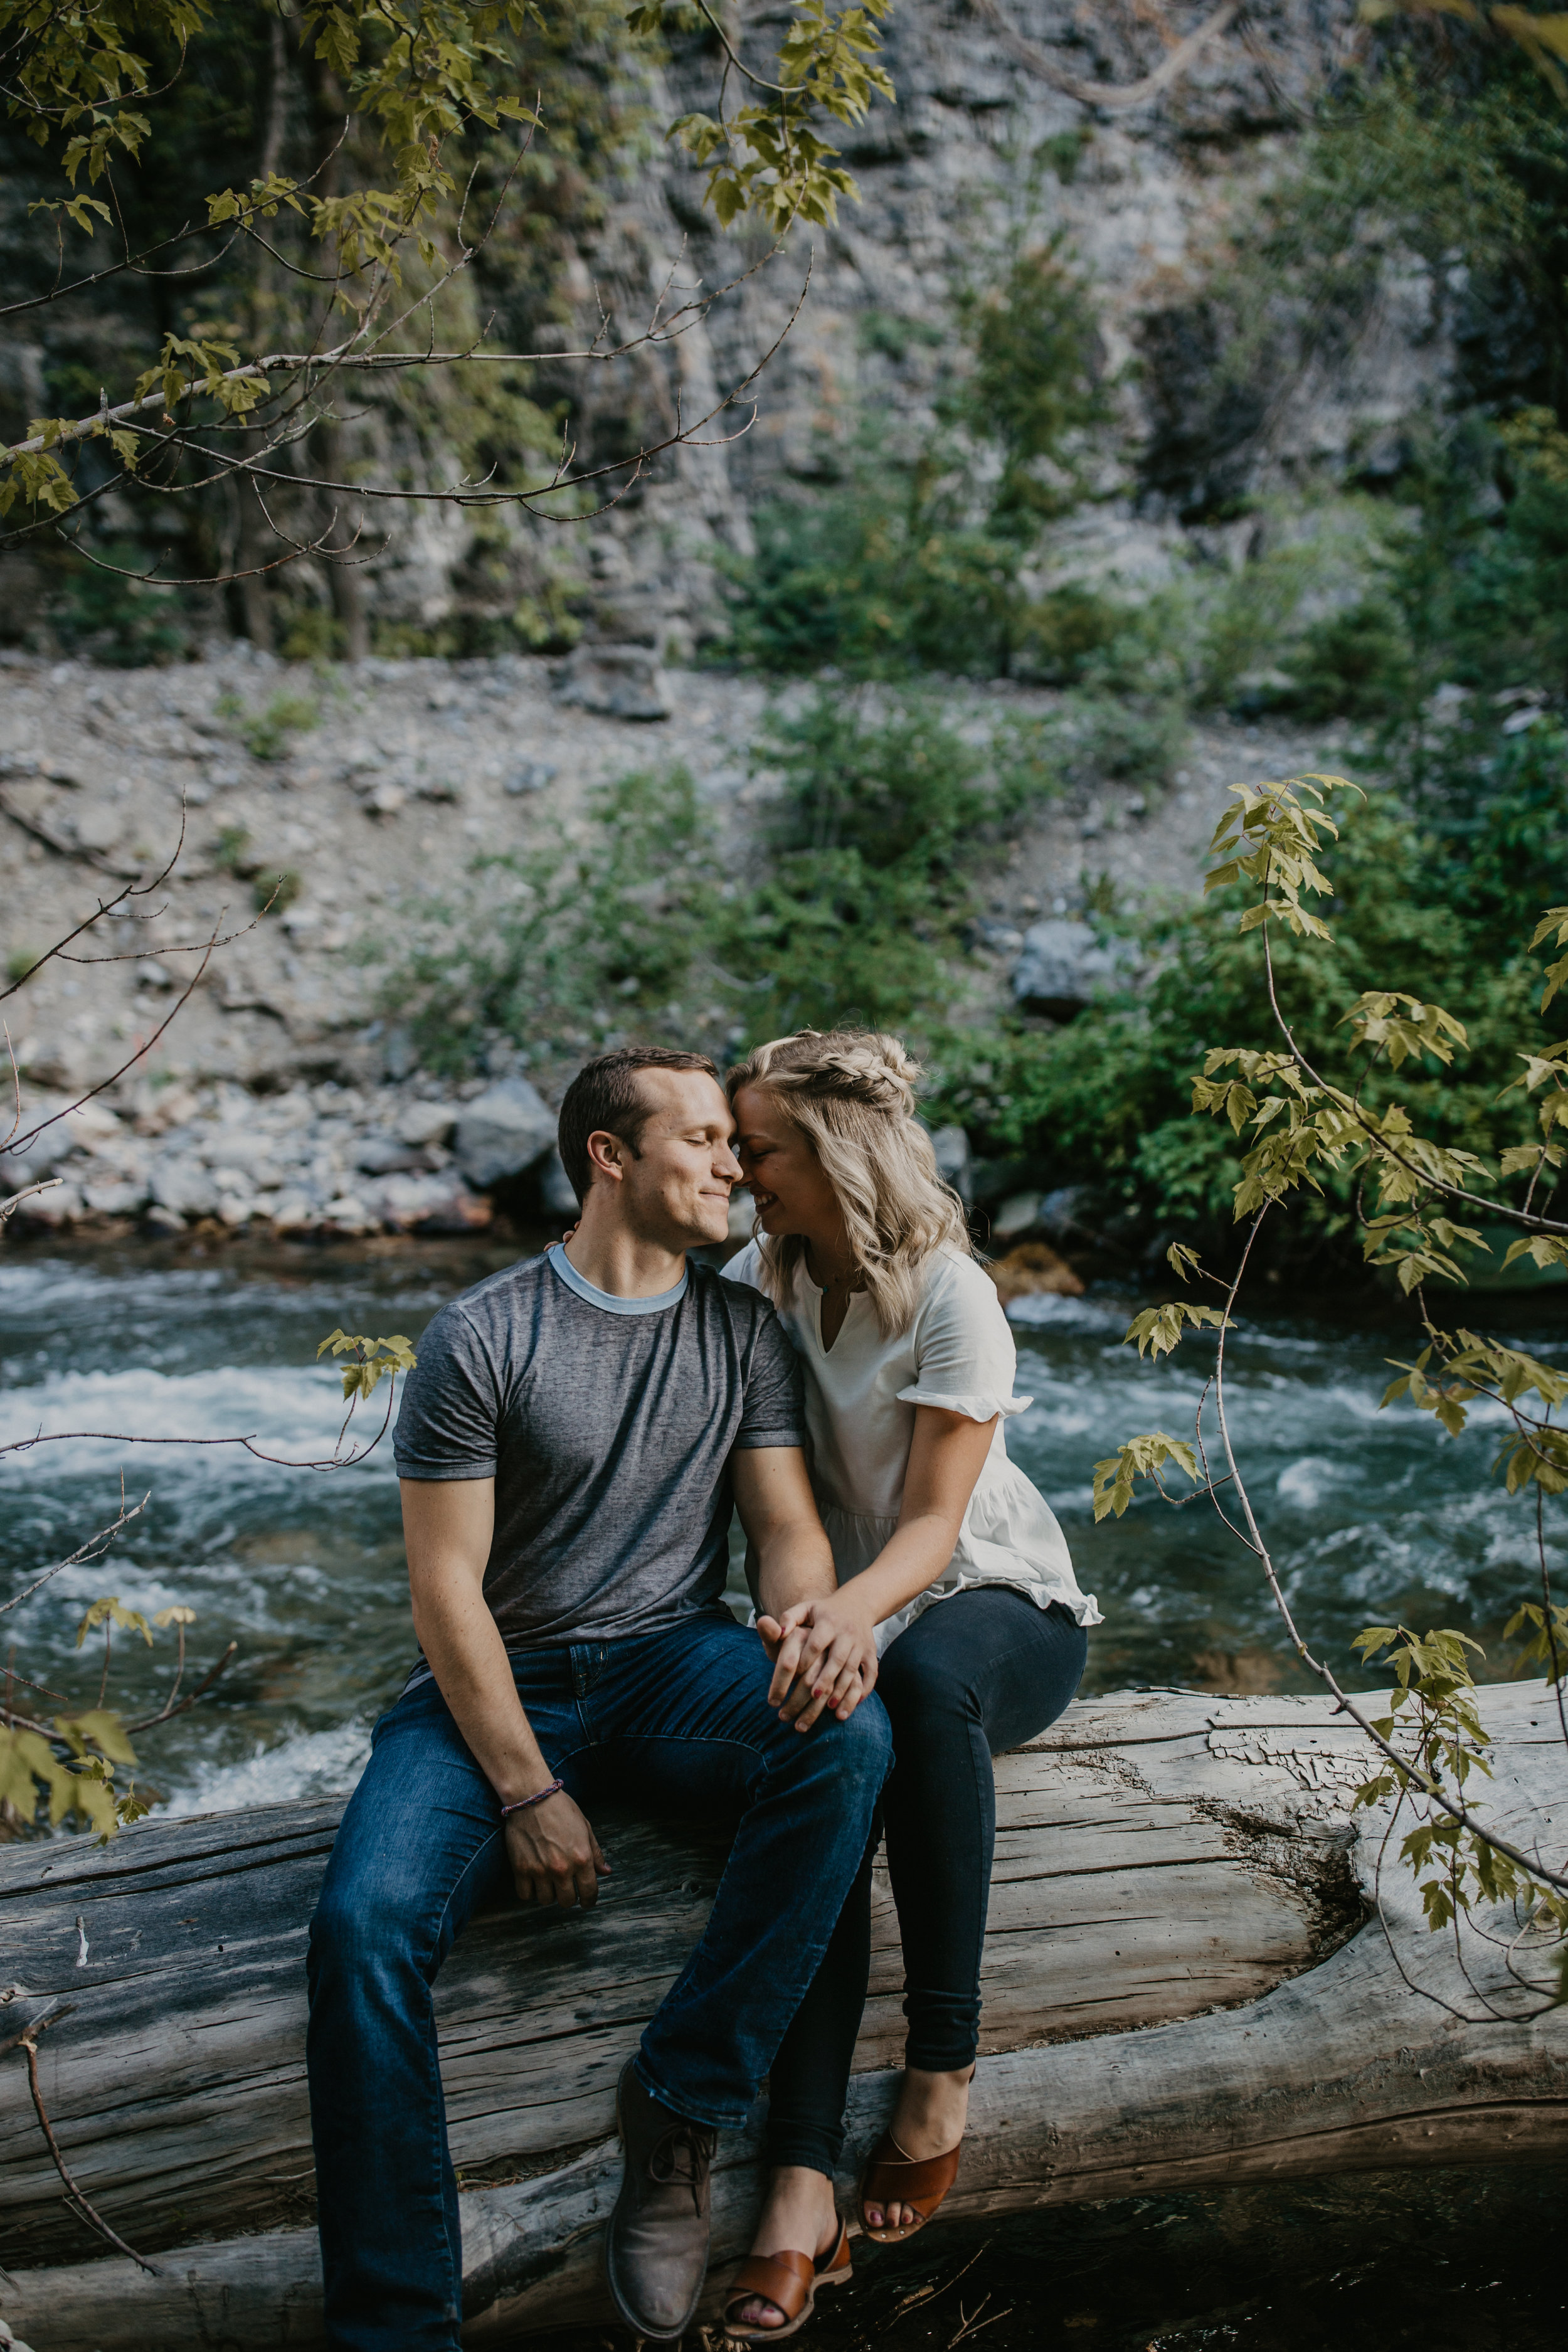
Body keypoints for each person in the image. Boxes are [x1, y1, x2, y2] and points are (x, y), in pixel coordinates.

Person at [304, 1044, 892, 2352]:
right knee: (359, 1930)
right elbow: (445, 1595)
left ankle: (680, 2106)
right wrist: (525, 1788)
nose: (732, 1166)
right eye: (701, 1139)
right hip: (490, 1696)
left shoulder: (741, 1332)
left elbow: (784, 1529)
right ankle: (397, 2324)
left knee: (848, 1737)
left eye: (734, 1146)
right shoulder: (483, 1336)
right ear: (607, 1159)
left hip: (671, 1667)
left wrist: (807, 1626)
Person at [719, 1029, 1101, 2339]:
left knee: (922, 1692)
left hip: (990, 1599)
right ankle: (798, 2181)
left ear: (831, 1153)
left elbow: (935, 1527)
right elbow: (766, 1493)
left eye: (754, 1148)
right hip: (825, 1601)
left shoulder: (951, 1294)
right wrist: (806, 1626)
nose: (734, 1170)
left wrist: (846, 1617)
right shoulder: (752, 1277)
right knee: (833, 1748)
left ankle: (941, 2066)